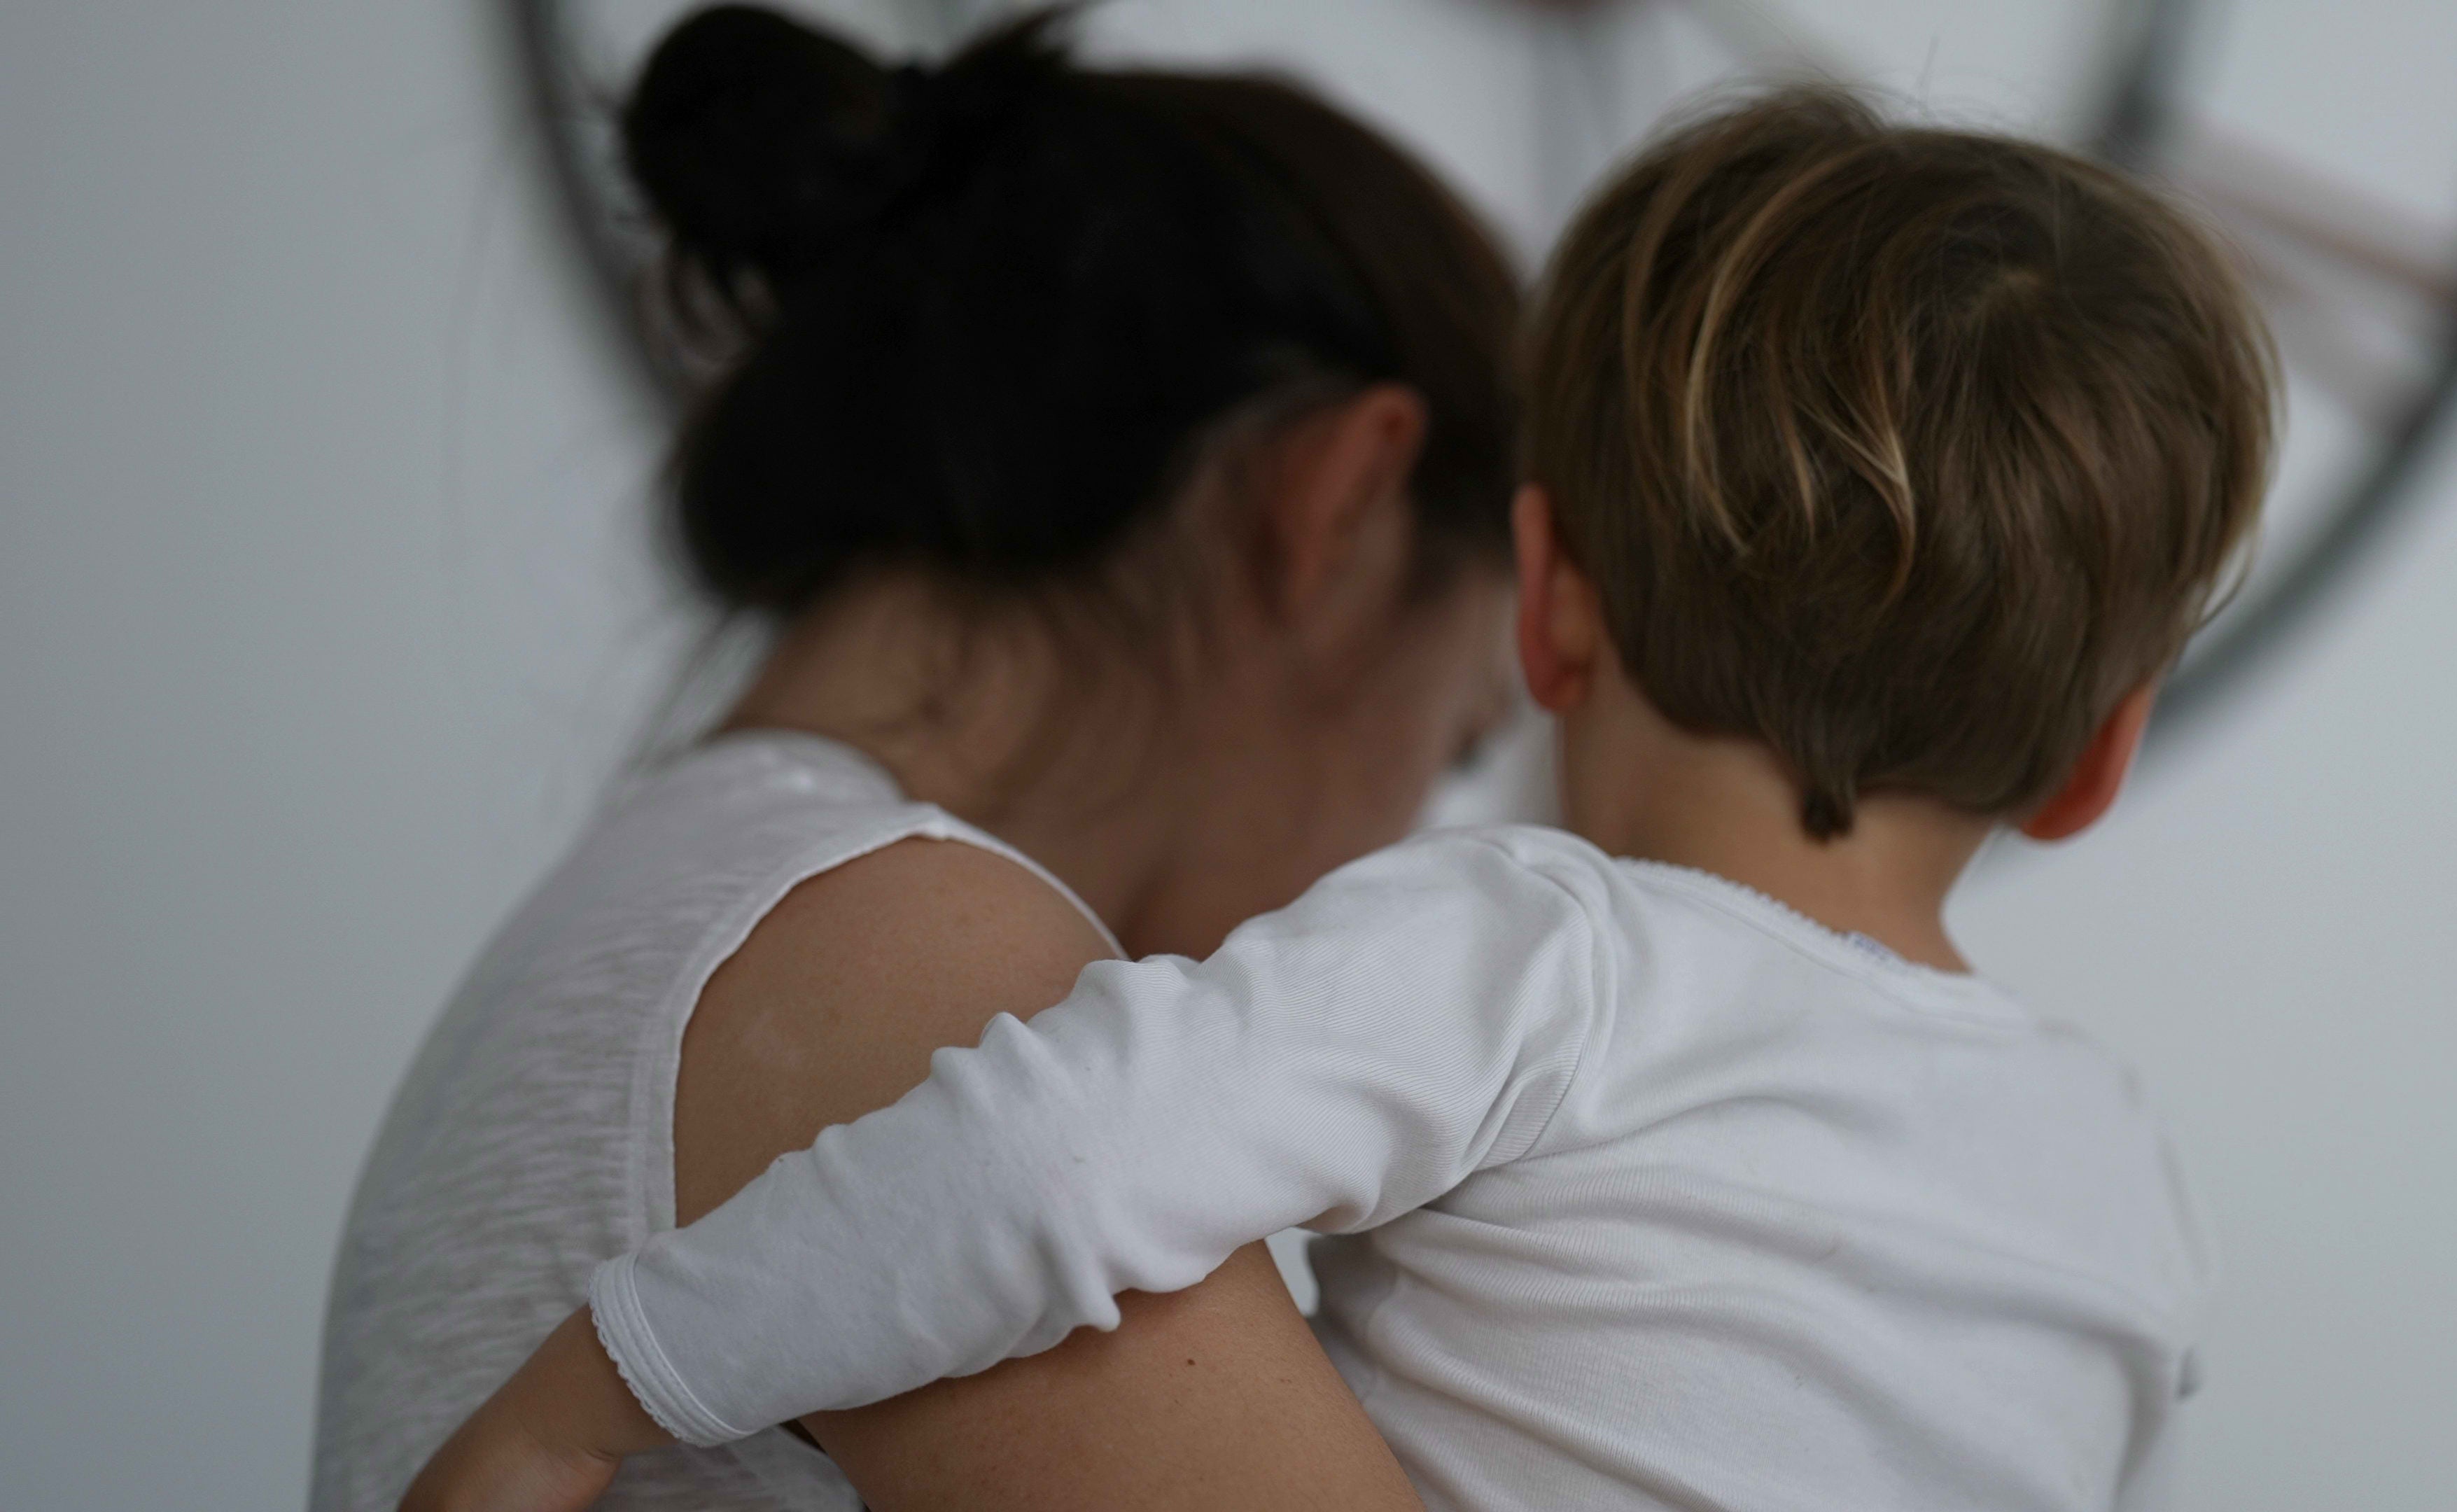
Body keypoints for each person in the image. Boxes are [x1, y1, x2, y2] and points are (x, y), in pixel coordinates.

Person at [414, 80, 2279, 1512]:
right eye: (1448, 734)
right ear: (2099, 757)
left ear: (1558, 608)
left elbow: (1044, 1162)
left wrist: (600, 1385)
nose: (1414, 818)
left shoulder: (1544, 957)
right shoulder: (2125, 1181)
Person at [309, 8, 1527, 1509]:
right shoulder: (913, 988)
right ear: (1339, 501)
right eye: (1461, 736)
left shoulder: (687, 926)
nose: (1413, 832)